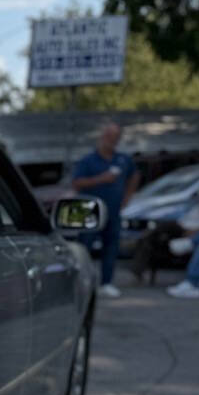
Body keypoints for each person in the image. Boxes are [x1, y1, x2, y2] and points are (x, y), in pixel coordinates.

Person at [71, 122, 141, 298]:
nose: (112, 141)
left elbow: (135, 175)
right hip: (89, 211)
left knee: (111, 248)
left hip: (113, 211)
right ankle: (81, 282)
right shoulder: (88, 160)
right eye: (109, 137)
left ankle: (106, 283)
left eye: (116, 137)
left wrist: (128, 197)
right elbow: (77, 184)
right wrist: (101, 179)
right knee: (84, 248)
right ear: (102, 137)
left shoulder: (123, 160)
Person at [130, 181, 199, 285]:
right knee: (149, 240)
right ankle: (138, 267)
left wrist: (193, 232)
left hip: (193, 234)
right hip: (181, 228)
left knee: (163, 227)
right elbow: (184, 220)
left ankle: (148, 234)